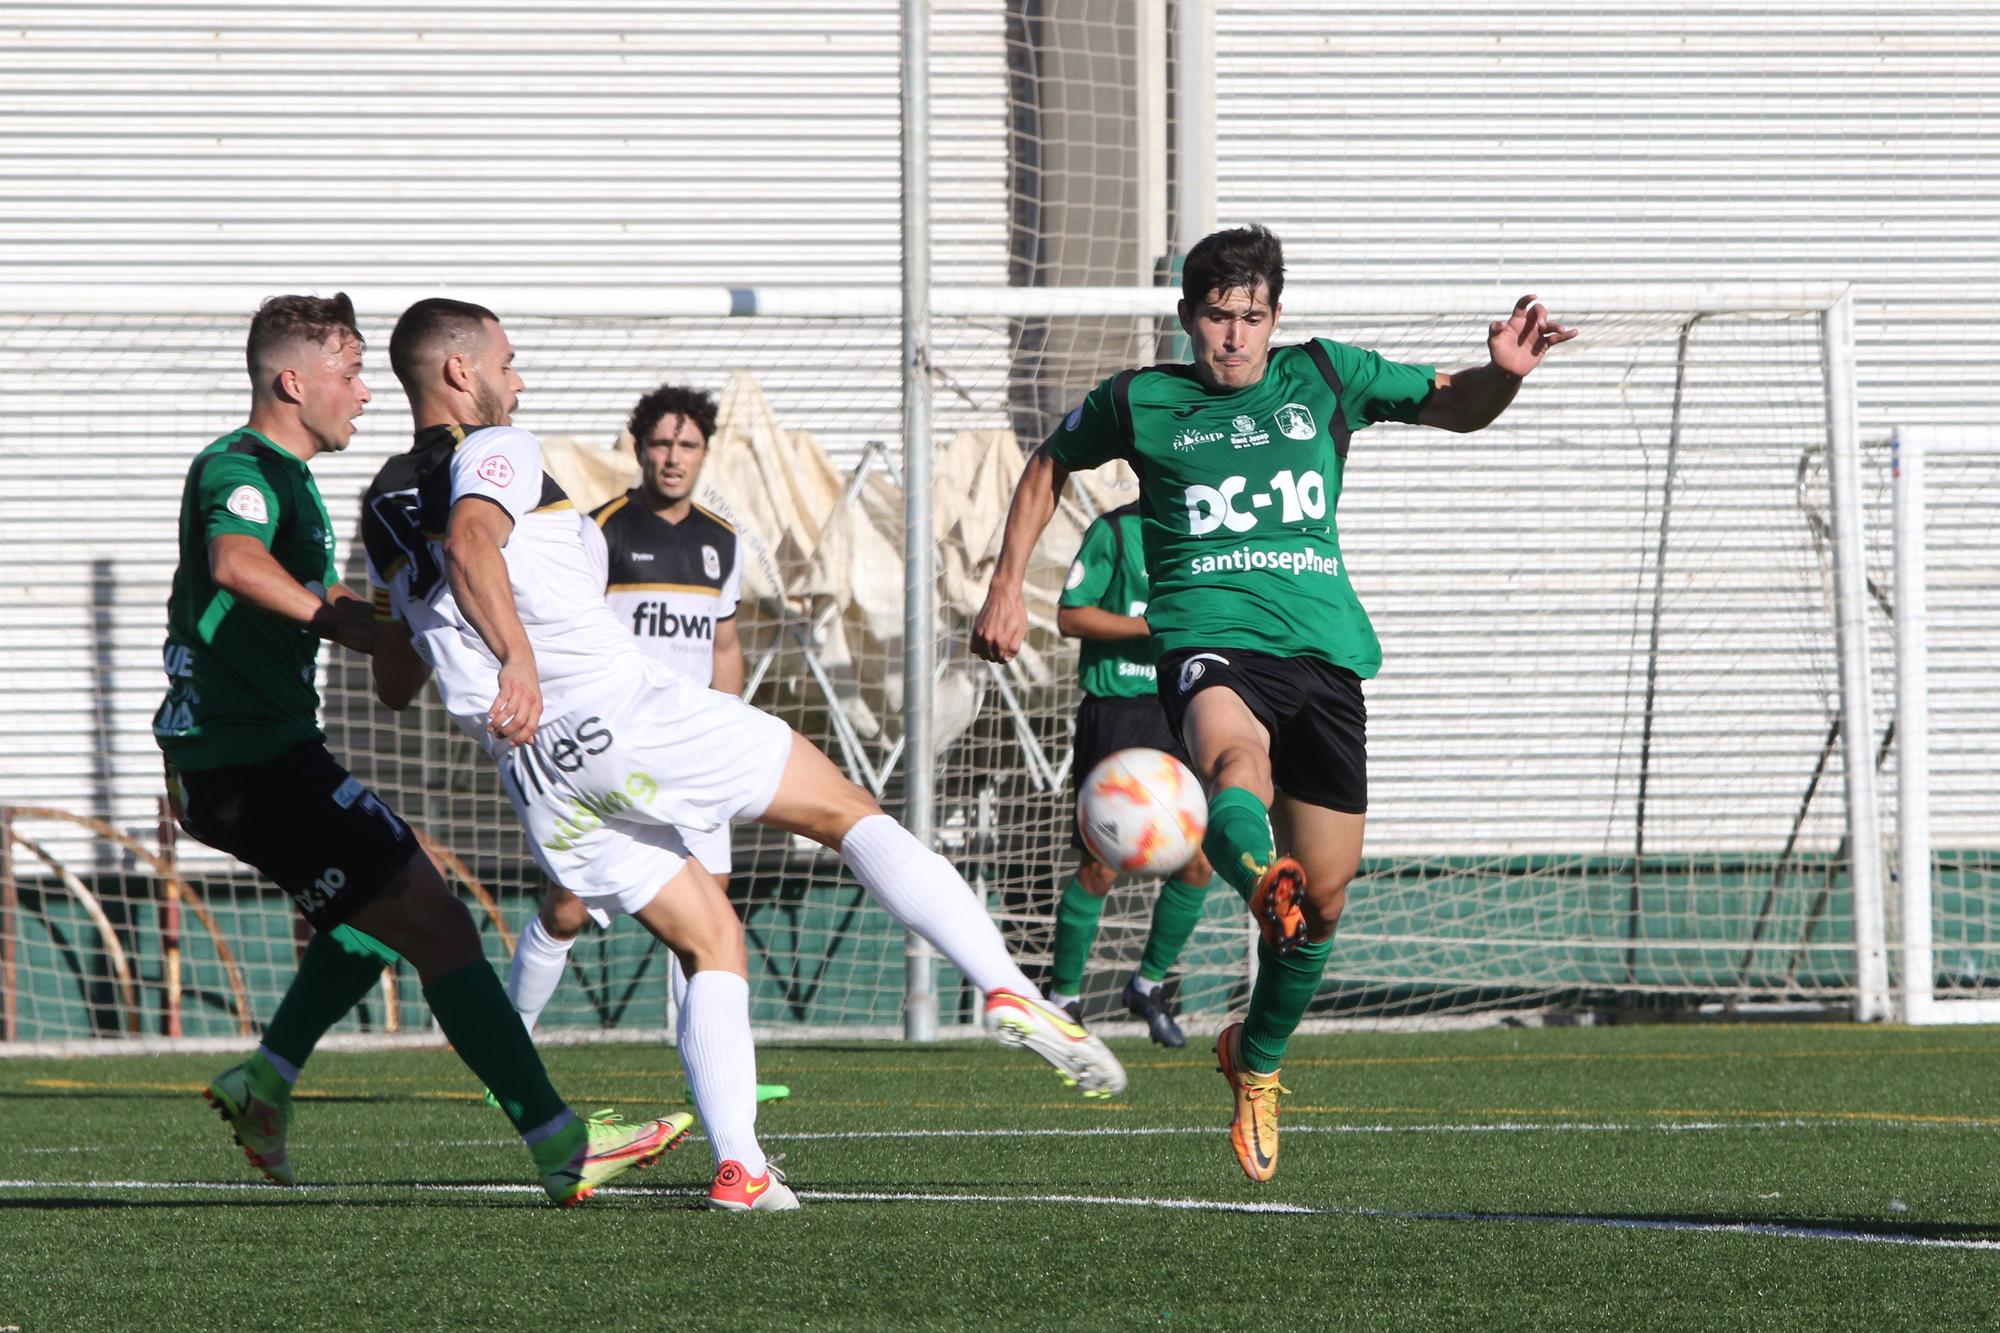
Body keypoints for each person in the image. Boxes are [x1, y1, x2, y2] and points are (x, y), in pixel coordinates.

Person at [362, 300, 1125, 1206]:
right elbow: (470, 538)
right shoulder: (499, 450)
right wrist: (520, 656)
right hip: (617, 712)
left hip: (537, 771)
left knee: (712, 938)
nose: (517, 380)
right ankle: (1006, 987)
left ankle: (742, 1167)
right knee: (848, 811)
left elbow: (396, 676)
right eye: (508, 360)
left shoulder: (378, 500)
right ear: (459, 371)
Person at [973, 225, 1574, 1181]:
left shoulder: (1326, 376)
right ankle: (1258, 880)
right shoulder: (1142, 400)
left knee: (1327, 903)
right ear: (1187, 318)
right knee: (1229, 764)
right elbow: (1050, 464)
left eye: (1252, 317)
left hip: (1326, 656)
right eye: (1218, 316)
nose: (1235, 337)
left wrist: (1505, 371)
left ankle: (1253, 1060)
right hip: (1211, 641)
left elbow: (1456, 405)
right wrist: (1008, 586)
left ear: (1276, 318)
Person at [154, 293, 688, 1209]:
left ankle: (267, 1082)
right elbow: (239, 565)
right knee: (438, 925)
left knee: (380, 913)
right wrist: (354, 617)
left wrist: (411, 620)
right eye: (349, 373)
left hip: (263, 756)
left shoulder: (307, 488)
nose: (364, 393)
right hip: (239, 761)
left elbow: (340, 616)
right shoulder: (239, 468)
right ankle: (561, 1142)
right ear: (294, 381)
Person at [1049, 500, 1216, 1047]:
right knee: (1102, 863)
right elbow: (1071, 613)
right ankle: (1063, 999)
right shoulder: (1116, 531)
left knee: (1197, 862)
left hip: (1179, 707)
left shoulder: (1207, 525)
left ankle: (1147, 985)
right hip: (1117, 710)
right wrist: (1147, 625)